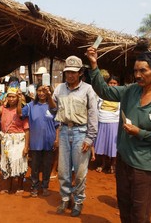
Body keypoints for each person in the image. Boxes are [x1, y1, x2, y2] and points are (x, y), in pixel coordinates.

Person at [86, 47, 151, 223]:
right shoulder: (131, 90)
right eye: (135, 71)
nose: (138, 75)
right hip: (124, 160)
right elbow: (105, 92)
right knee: (124, 206)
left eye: (143, 71)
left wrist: (142, 133)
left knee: (139, 213)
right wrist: (94, 65)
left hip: (145, 166)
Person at [50, 56, 98, 217]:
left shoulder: (88, 90)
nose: (70, 75)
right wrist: (47, 99)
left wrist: (90, 138)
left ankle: (78, 201)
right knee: (63, 170)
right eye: (67, 72)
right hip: (64, 131)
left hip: (81, 132)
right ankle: (65, 198)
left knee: (80, 171)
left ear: (80, 73)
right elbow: (53, 111)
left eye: (73, 72)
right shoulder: (59, 89)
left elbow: (93, 115)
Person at [22, 84, 59, 197]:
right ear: (36, 92)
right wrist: (19, 99)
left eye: (44, 91)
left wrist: (57, 139)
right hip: (35, 141)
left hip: (49, 141)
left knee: (47, 166)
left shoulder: (52, 106)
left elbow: (57, 125)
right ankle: (34, 187)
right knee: (35, 166)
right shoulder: (30, 106)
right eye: (39, 91)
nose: (41, 93)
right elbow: (19, 113)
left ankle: (45, 187)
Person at [0, 85, 29, 195]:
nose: (11, 99)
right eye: (10, 97)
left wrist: (26, 146)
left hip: (19, 139)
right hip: (6, 139)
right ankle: (8, 185)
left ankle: (20, 186)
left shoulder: (23, 111)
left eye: (14, 97)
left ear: (17, 98)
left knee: (19, 162)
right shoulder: (3, 108)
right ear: (7, 97)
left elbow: (27, 130)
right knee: (6, 162)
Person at [94, 75, 120, 174]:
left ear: (118, 85)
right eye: (110, 83)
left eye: (114, 83)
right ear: (107, 84)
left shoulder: (120, 96)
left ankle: (113, 164)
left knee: (113, 146)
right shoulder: (102, 95)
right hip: (102, 121)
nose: (112, 85)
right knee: (103, 145)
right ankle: (103, 164)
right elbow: (96, 107)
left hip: (114, 123)